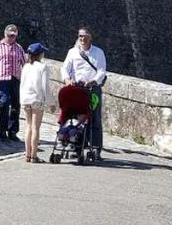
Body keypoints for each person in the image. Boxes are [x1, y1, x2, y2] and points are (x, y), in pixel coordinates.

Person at [62, 26, 108, 159]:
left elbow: (101, 71)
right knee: (77, 119)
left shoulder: (98, 52)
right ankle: (76, 146)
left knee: (94, 119)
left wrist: (93, 81)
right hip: (77, 89)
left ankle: (96, 149)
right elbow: (65, 68)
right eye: (80, 36)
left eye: (84, 36)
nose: (82, 38)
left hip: (92, 89)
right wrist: (66, 79)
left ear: (90, 38)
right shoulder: (72, 52)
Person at [0, 24, 26, 142]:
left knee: (15, 105)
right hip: (2, 78)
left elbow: (24, 63)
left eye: (14, 36)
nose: (12, 38)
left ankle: (12, 131)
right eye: (10, 35)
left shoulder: (18, 48)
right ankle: (2, 129)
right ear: (5, 34)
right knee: (4, 103)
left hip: (15, 78)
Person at [19, 42, 55, 163]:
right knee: (36, 128)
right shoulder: (43, 67)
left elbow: (22, 84)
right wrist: (51, 102)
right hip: (36, 99)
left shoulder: (26, 67)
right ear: (40, 54)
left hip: (25, 98)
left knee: (28, 127)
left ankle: (27, 155)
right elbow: (45, 87)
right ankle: (34, 156)